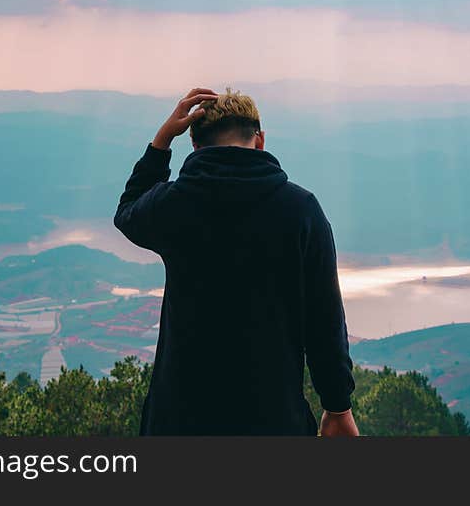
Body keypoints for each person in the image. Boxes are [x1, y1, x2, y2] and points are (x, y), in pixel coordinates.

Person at [114, 86, 358, 436]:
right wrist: (337, 407)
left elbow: (128, 211)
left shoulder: (173, 204)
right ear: (260, 140)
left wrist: (163, 139)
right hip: (273, 416)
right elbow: (324, 319)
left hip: (179, 416)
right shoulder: (300, 210)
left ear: (196, 146)